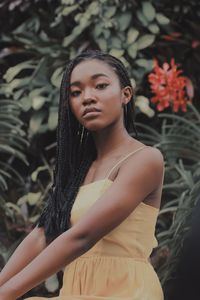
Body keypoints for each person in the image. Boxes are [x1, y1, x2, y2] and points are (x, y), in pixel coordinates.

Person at [0, 50, 164, 300]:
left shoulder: (144, 159)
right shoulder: (78, 171)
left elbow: (82, 237)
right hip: (77, 292)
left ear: (126, 95)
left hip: (127, 291)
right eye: (76, 92)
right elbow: (44, 233)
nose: (87, 97)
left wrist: (7, 294)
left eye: (100, 85)